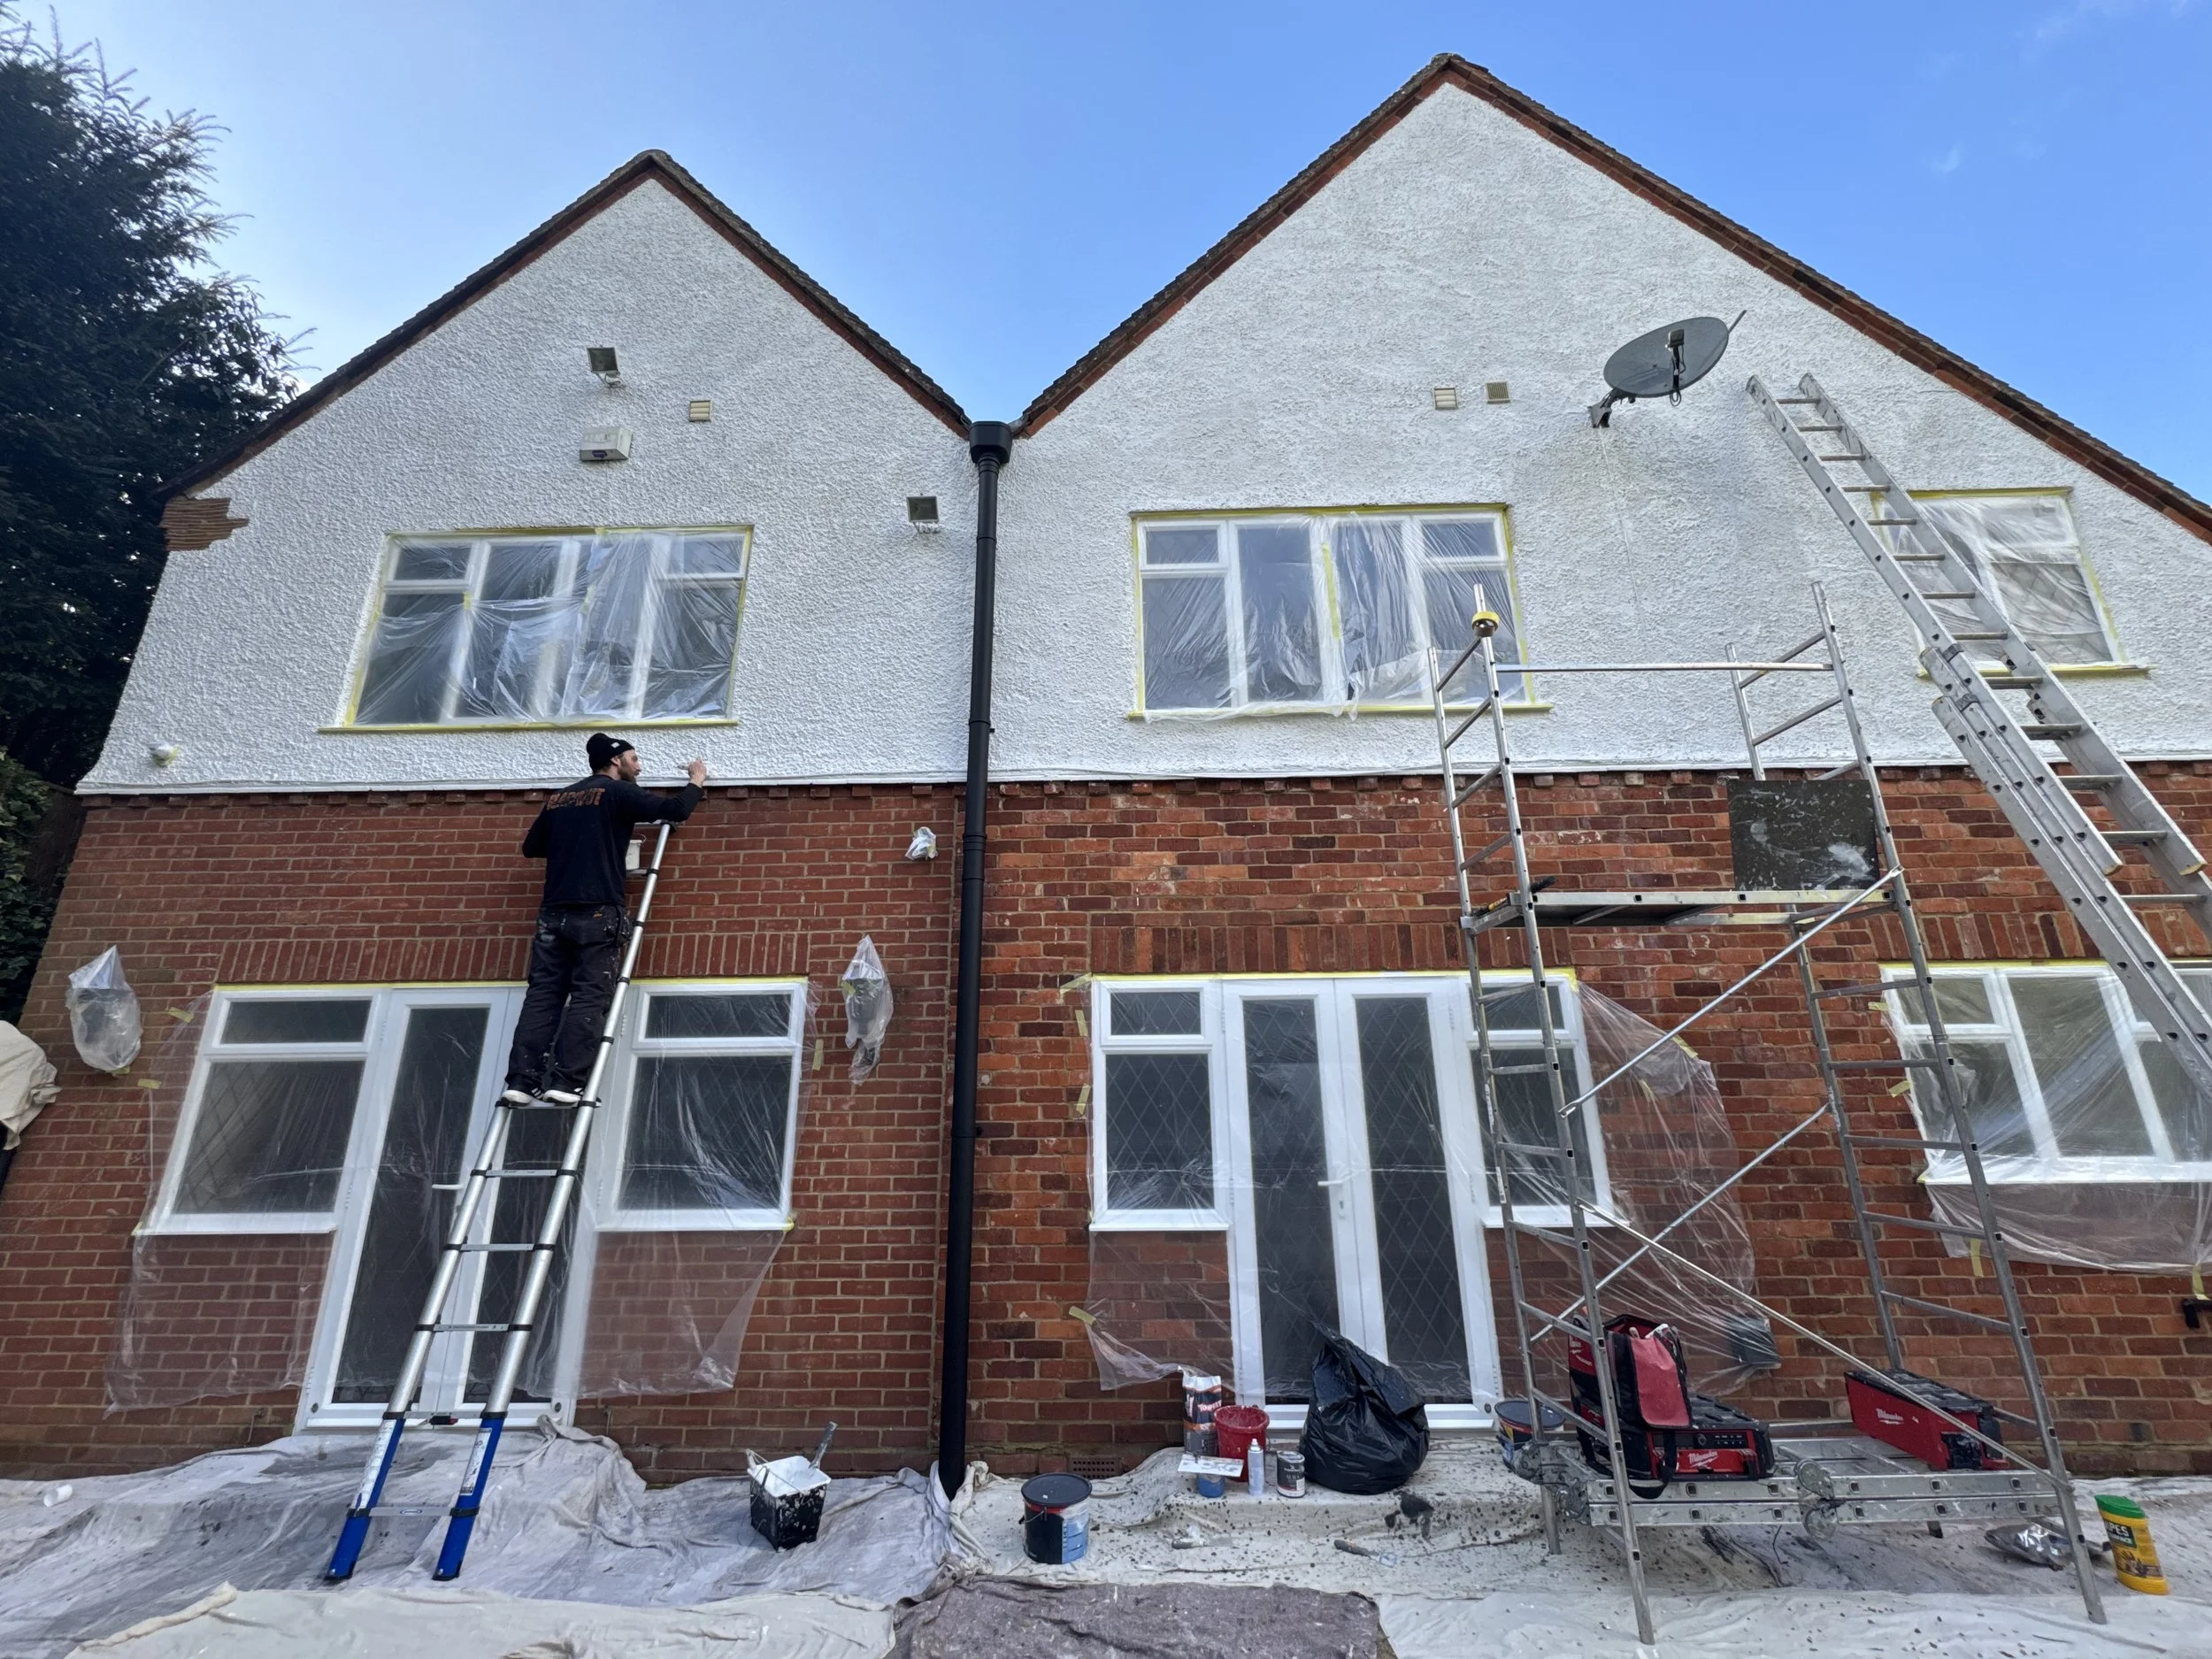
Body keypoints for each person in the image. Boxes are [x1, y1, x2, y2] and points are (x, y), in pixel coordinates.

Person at [502, 733, 707, 1104]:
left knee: (543, 996)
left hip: (553, 914)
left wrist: (577, 840)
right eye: (634, 758)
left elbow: (532, 848)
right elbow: (675, 810)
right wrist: (696, 780)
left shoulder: (560, 798)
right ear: (615, 762)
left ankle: (521, 1081)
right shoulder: (617, 793)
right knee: (589, 994)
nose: (639, 766)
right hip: (597, 910)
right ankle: (566, 1084)